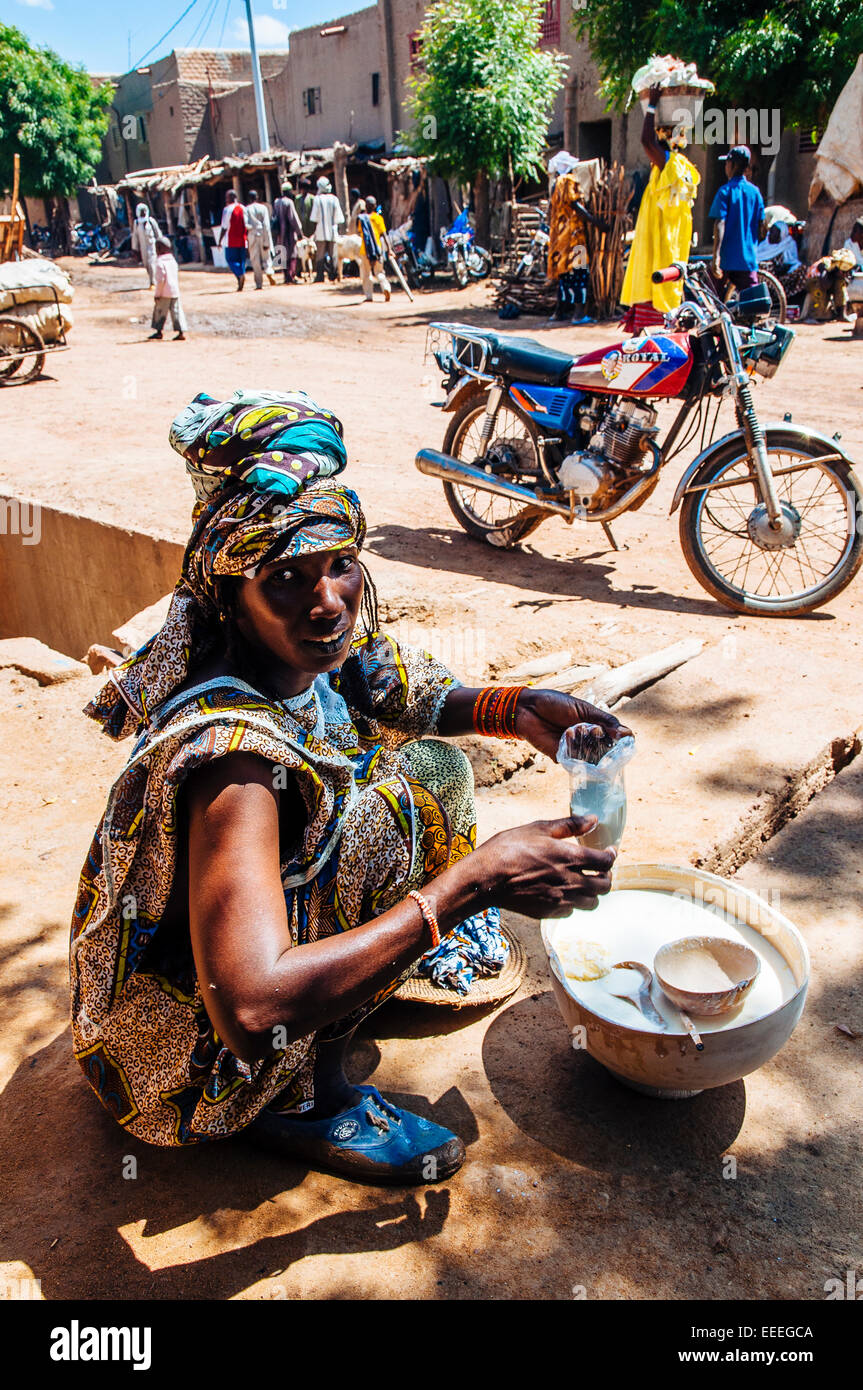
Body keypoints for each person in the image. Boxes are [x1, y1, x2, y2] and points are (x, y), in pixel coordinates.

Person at [70, 388, 626, 1181]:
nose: (327, 602)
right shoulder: (232, 760)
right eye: (287, 577)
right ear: (232, 590)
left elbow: (388, 680)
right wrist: (471, 885)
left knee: (429, 770)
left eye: (340, 566)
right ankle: (304, 1098)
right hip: (184, 1068)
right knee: (390, 814)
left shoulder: (285, 641)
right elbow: (255, 1009)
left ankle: (351, 971)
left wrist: (516, 707)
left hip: (229, 969)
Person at [620, 86, 700, 313]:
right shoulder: (683, 167)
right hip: (673, 247)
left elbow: (645, 141)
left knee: (657, 301)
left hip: (662, 248)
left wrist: (652, 105)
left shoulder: (669, 164)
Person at [546, 160, 606, 325]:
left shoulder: (554, 185)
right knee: (580, 273)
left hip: (560, 238)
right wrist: (596, 222)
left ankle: (559, 312)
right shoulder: (568, 181)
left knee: (564, 275)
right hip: (574, 237)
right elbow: (576, 205)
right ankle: (578, 315)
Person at [709, 145, 765, 292]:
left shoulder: (725, 192)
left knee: (713, 303)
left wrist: (716, 256)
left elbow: (720, 223)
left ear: (732, 165)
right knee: (752, 305)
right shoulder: (755, 193)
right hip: (747, 260)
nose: (725, 167)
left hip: (727, 259)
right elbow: (762, 225)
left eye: (727, 163)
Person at [148, 236, 187, 341]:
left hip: (164, 292)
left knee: (160, 312)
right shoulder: (173, 261)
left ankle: (158, 332)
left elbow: (160, 281)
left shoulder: (160, 262)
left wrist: (157, 294)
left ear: (159, 249)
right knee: (177, 312)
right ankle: (181, 332)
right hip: (175, 291)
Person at [310, 176, 345, 283]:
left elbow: (314, 218)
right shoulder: (334, 199)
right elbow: (339, 218)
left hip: (320, 232)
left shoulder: (317, 199)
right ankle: (333, 275)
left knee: (320, 255)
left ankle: (320, 276)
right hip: (332, 231)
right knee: (333, 254)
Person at [358, 195, 392, 302]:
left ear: (366, 206)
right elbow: (384, 235)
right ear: (375, 206)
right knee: (379, 272)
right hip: (377, 250)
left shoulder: (362, 219)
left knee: (366, 274)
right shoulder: (378, 218)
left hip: (365, 250)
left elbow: (360, 233)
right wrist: (389, 249)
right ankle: (386, 288)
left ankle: (369, 296)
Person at [245, 189, 277, 291]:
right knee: (266, 257)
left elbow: (245, 224)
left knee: (255, 260)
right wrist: (267, 241)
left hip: (252, 235)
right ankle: (269, 272)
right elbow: (267, 225)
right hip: (263, 234)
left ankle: (259, 284)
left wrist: (252, 228)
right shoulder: (263, 208)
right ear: (257, 197)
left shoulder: (247, 209)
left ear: (249, 198)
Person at [271, 183, 303, 284]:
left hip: (280, 233)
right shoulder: (289, 202)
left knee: (282, 254)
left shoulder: (276, 202)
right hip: (289, 232)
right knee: (292, 254)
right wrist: (299, 232)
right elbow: (293, 218)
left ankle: (286, 276)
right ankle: (291, 277)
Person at [222, 190, 248, 291]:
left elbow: (224, 227)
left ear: (230, 198)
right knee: (241, 261)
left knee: (231, 260)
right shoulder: (243, 208)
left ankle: (240, 275)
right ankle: (240, 280)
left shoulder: (227, 210)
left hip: (231, 240)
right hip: (242, 239)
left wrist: (219, 240)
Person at [131, 203, 161, 287]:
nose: (143, 213)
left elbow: (158, 233)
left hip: (152, 246)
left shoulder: (151, 221)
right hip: (143, 248)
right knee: (146, 264)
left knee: (152, 263)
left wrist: (161, 244)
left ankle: (153, 282)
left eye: (144, 211)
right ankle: (152, 279)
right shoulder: (136, 223)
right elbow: (135, 236)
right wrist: (135, 249)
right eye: (141, 211)